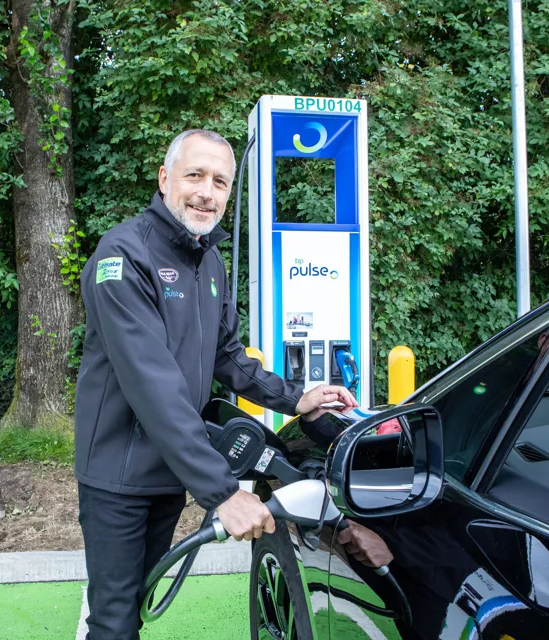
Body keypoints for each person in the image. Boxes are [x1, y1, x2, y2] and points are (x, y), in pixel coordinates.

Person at [74, 129, 358, 639]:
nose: (208, 191)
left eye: (221, 182)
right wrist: (223, 492)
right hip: (118, 475)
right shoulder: (123, 256)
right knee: (114, 621)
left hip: (168, 471)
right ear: (165, 180)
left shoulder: (209, 262)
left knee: (136, 606)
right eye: (195, 175)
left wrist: (296, 397)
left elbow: (227, 356)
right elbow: (154, 389)